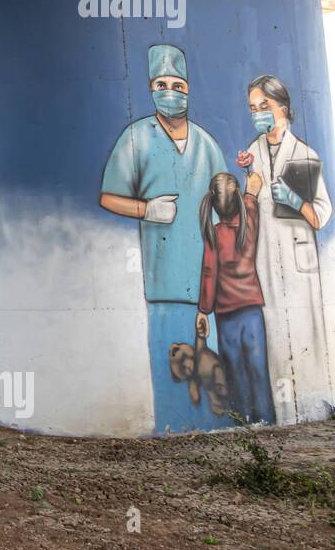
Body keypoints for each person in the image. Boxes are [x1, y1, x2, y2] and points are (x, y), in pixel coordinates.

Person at [99, 43, 231, 433]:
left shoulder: (207, 145)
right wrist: (146, 209)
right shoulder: (137, 138)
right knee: (173, 371)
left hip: (207, 287)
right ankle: (174, 433)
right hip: (162, 284)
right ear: (150, 88)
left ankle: (214, 438)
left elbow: (226, 206)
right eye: (161, 83)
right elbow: (108, 196)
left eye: (177, 84)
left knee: (211, 377)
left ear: (189, 90)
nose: (169, 91)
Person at [239, 74, 333, 424]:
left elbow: (322, 215)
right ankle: (286, 417)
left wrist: (296, 201)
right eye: (253, 108)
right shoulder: (252, 153)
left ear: (283, 108)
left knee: (309, 333)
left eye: (265, 106)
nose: (259, 113)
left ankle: (316, 410)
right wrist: (247, 185)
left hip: (299, 260)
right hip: (267, 259)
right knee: (276, 334)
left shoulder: (305, 155)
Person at [195, 171, 273, 423]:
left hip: (225, 315)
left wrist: (203, 310)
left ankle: (242, 421)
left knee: (234, 372)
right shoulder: (249, 223)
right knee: (258, 369)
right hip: (252, 311)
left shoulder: (214, 235)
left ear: (212, 204)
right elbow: (251, 197)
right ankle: (266, 421)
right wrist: (250, 188)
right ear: (238, 198)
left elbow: (209, 274)